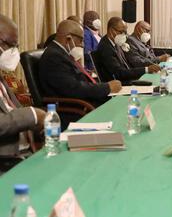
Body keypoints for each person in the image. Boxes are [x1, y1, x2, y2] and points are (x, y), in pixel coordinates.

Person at [39, 20, 122, 109]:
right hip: (74, 108)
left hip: (85, 101)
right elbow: (73, 88)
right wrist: (107, 87)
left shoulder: (61, 53)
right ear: (68, 38)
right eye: (81, 40)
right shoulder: (53, 56)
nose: (82, 45)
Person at [0, 14, 46, 158]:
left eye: (16, 46)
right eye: (10, 45)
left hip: (25, 151)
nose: (14, 51)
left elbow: (11, 109)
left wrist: (38, 126)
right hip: (7, 160)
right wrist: (32, 115)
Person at [96, 17, 160, 84]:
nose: (124, 35)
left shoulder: (115, 42)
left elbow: (126, 66)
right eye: (121, 32)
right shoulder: (105, 47)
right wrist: (146, 69)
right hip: (119, 85)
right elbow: (119, 73)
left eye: (125, 32)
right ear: (111, 30)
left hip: (127, 79)